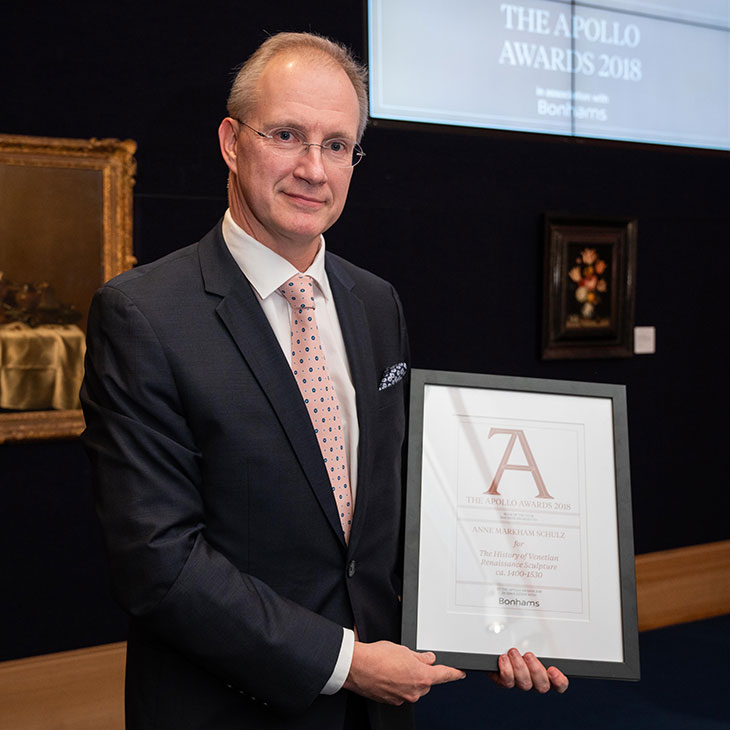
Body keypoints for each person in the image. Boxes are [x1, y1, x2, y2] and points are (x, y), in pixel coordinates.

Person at [81, 31, 568, 730]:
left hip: (378, 710)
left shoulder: (376, 302)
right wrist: (348, 663)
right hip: (228, 707)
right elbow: (157, 564)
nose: (314, 168)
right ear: (231, 141)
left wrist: (504, 620)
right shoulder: (143, 315)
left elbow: (397, 506)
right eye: (287, 134)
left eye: (337, 145)